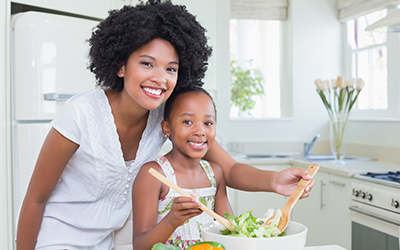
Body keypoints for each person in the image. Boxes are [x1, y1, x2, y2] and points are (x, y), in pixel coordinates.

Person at [16, 0, 314, 249]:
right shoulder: (80, 114)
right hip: (54, 241)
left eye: (170, 68)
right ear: (120, 65)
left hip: (103, 243)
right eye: (147, 63)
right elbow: (35, 199)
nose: (160, 78)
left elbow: (231, 170)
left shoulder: (165, 117)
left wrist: (275, 182)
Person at [132, 87, 233, 249]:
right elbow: (140, 246)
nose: (200, 131)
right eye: (187, 121)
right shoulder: (154, 174)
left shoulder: (215, 174)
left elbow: (230, 232)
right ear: (167, 128)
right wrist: (171, 221)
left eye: (208, 123)